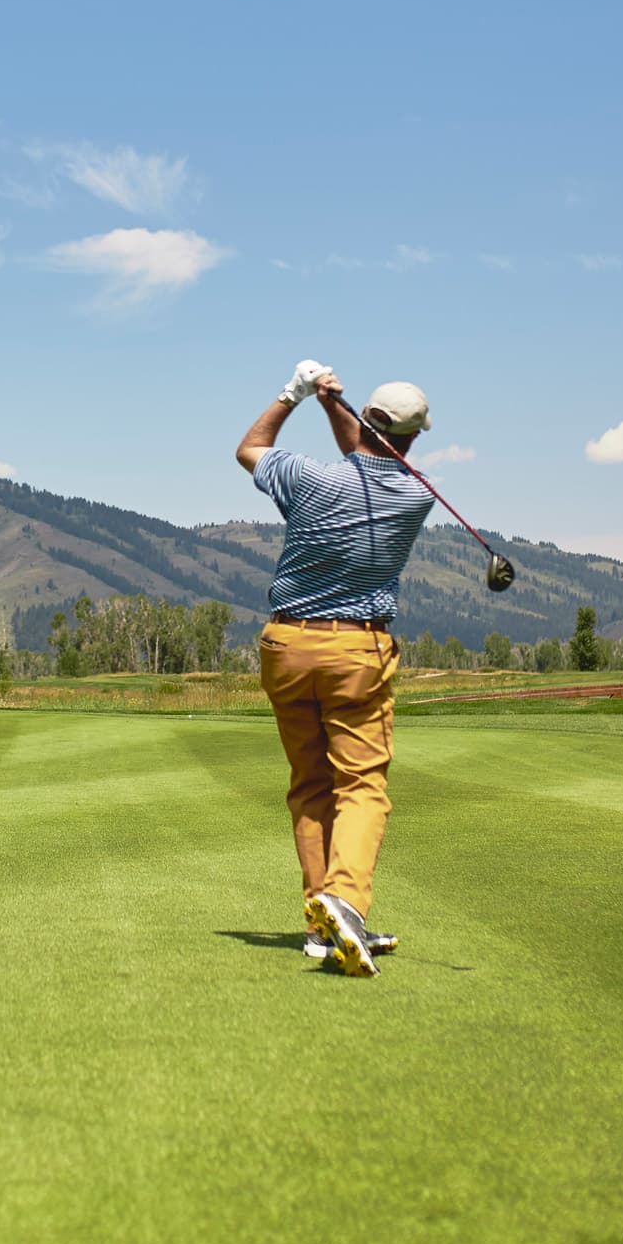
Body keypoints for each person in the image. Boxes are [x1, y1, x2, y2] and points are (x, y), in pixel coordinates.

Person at [235, 359, 435, 977]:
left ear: (364, 421)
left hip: (287, 648)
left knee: (310, 786)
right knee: (362, 787)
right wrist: (334, 408)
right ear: (411, 439)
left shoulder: (307, 478)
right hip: (356, 654)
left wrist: (298, 395)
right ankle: (345, 902)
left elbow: (250, 448)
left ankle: (321, 926)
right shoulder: (416, 494)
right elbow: (374, 463)